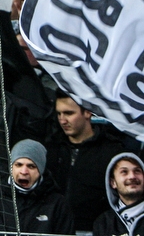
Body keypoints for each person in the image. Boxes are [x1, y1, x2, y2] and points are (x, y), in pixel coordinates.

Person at [45, 92, 130, 232]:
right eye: (59, 114)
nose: (62, 120)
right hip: (54, 230)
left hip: (96, 230)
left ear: (88, 112)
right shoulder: (51, 149)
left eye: (68, 113)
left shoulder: (112, 151)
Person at [0, 139, 74, 234]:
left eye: (31, 166)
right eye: (19, 165)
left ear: (41, 170)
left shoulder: (57, 205)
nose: (24, 171)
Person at [94, 153, 144, 236]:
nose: (132, 176)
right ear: (113, 183)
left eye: (137, 171)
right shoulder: (104, 222)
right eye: (124, 172)